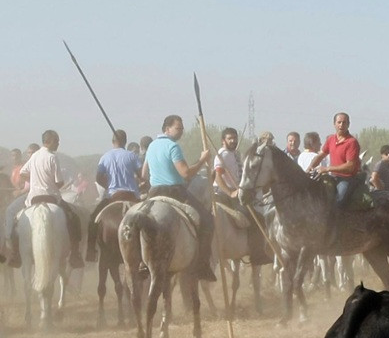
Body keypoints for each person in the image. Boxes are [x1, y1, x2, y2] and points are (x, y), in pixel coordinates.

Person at [143, 114, 215, 280]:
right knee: (207, 221)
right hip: (174, 191)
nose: (181, 131)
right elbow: (186, 174)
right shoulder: (172, 146)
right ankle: (202, 265)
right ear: (167, 129)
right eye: (178, 128)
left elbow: (143, 173)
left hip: (153, 192)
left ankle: (143, 261)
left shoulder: (151, 146)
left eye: (182, 129)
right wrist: (202, 160)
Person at [5, 130, 85, 268]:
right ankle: (75, 254)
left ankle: (15, 254)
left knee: (16, 221)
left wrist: (35, 180)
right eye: (57, 141)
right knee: (74, 218)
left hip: (33, 198)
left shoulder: (34, 156)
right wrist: (51, 183)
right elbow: (59, 183)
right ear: (50, 140)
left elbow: (23, 173)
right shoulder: (52, 157)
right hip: (51, 197)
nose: (58, 144)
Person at [212, 126, 271, 266]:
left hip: (236, 191)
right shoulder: (223, 154)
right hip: (224, 194)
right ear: (223, 141)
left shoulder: (235, 153)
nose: (233, 140)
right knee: (256, 219)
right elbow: (218, 176)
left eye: (234, 138)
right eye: (229, 138)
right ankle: (257, 254)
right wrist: (230, 192)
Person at [86, 129, 143, 261]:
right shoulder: (132, 156)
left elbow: (99, 178)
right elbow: (142, 176)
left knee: (93, 219)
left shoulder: (105, 157)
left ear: (113, 142)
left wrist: (109, 186)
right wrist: (141, 182)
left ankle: (90, 250)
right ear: (125, 141)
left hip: (114, 196)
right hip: (133, 197)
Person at [305, 112, 361, 208]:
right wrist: (310, 167)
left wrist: (327, 169)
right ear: (334, 124)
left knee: (338, 201)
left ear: (348, 124)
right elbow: (320, 156)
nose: (341, 125)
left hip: (347, 179)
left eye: (344, 123)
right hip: (333, 177)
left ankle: (338, 222)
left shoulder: (352, 142)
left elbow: (350, 166)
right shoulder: (331, 139)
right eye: (339, 122)